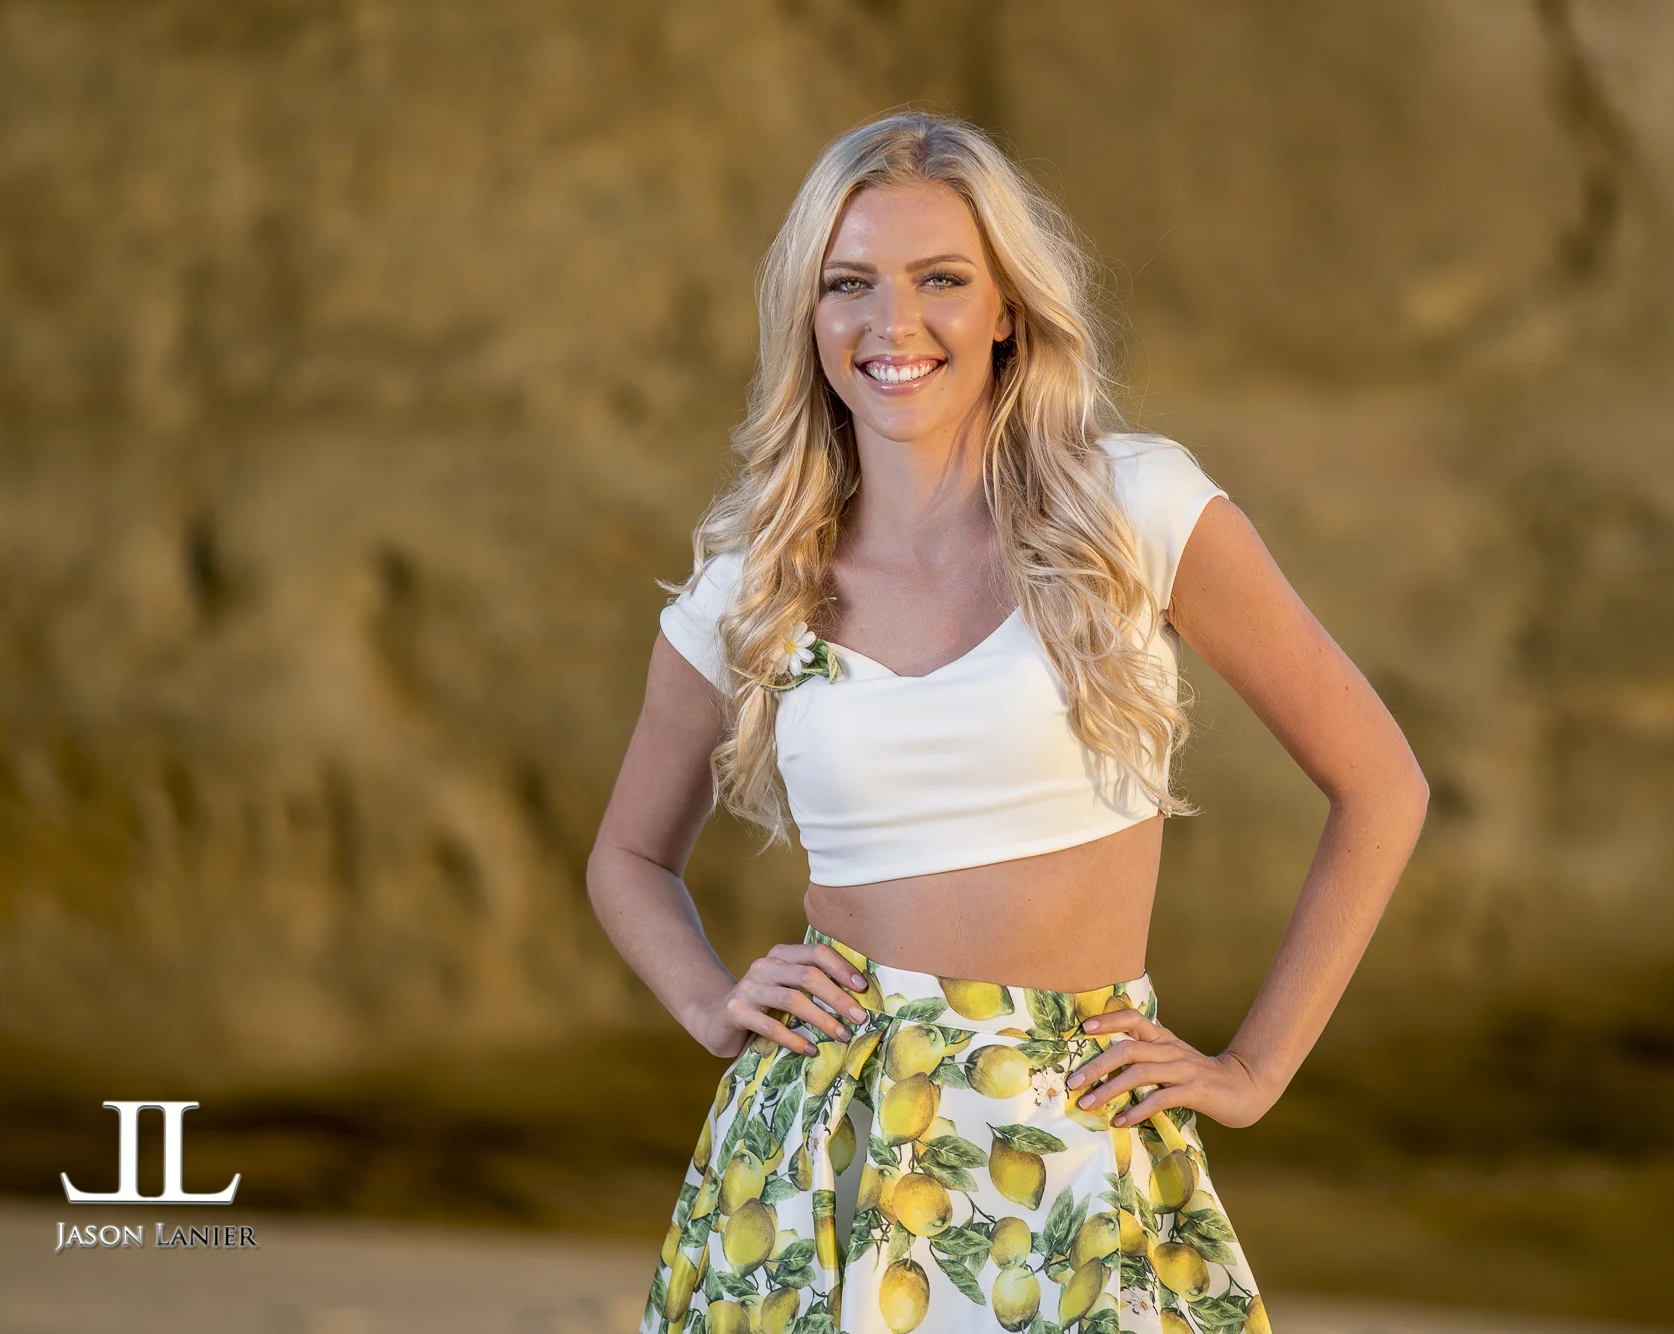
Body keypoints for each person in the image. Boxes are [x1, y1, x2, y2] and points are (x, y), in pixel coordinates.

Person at [588, 111, 1429, 1334]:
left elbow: (1381, 784)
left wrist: (1251, 1069)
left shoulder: (1132, 506)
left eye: (940, 278)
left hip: (1075, 1134)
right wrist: (713, 1003)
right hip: (823, 1150)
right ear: (807, 314)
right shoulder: (755, 579)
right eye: (848, 283)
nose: (892, 323)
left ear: (1005, 309)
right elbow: (627, 855)